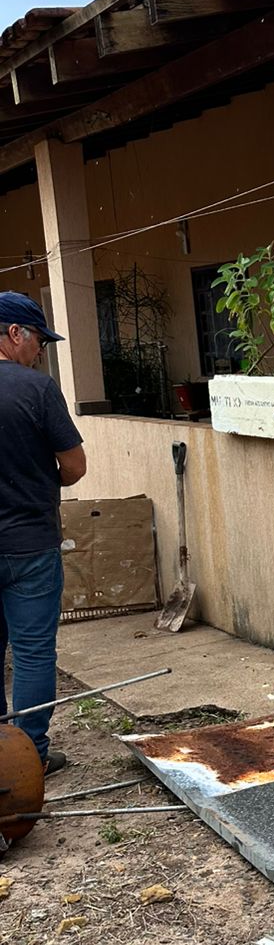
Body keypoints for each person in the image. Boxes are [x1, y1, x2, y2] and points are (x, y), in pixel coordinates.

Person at [0, 291, 87, 775]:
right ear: (15, 334)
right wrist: (35, 477)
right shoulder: (36, 389)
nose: (39, 352)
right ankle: (27, 760)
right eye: (38, 341)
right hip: (29, 543)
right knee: (32, 653)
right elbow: (74, 466)